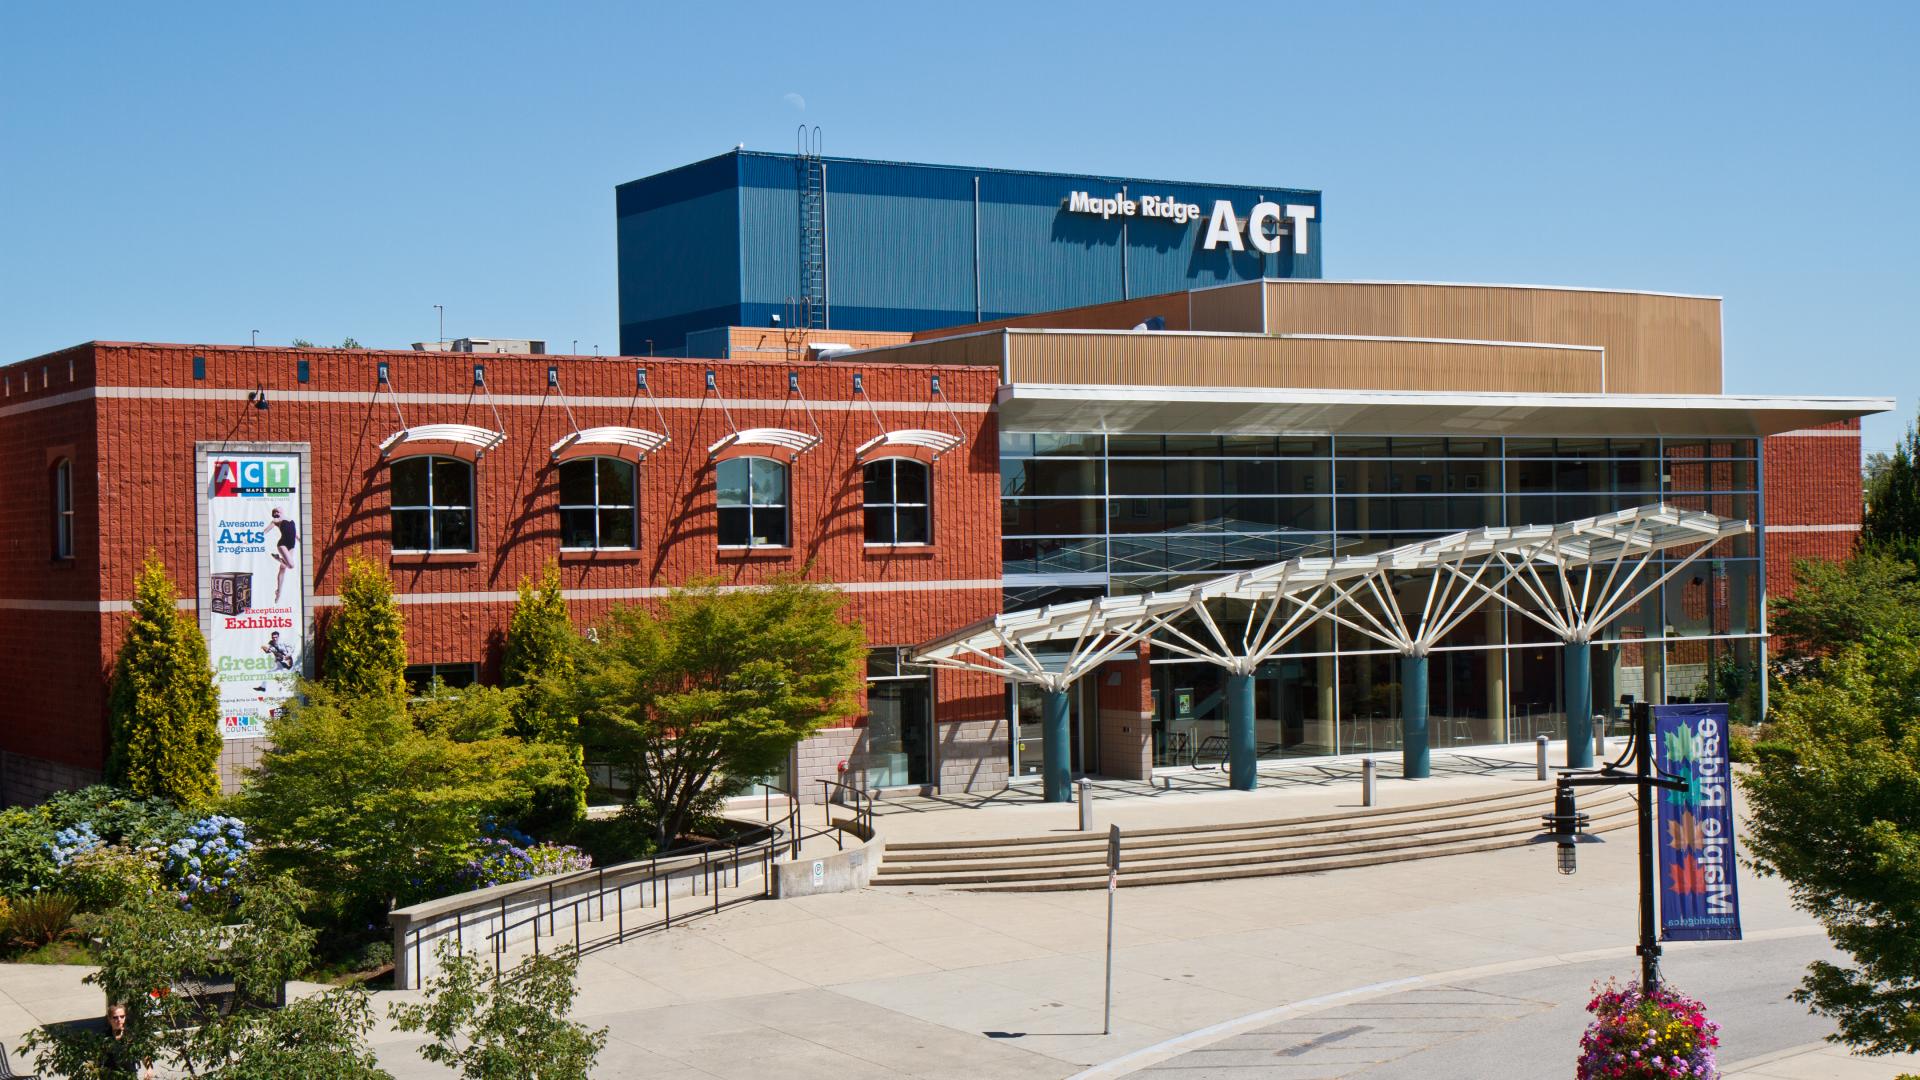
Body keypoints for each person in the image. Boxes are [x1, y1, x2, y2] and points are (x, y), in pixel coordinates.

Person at [103, 1001, 156, 1079]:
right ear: (109, 1019)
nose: (119, 1019)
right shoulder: (104, 1037)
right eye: (115, 1017)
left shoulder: (132, 1035)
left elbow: (143, 1054)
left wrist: (149, 1069)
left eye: (122, 1016)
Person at [268, 508, 299, 604]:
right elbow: (265, 531)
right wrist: (251, 539)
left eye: (277, 511)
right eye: (274, 513)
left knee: (283, 568)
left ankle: (278, 592)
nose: (276, 513)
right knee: (291, 565)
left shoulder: (290, 519)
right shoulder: (276, 521)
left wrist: (302, 541)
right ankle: (278, 558)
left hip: (292, 545)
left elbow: (295, 534)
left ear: (282, 511)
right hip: (283, 544)